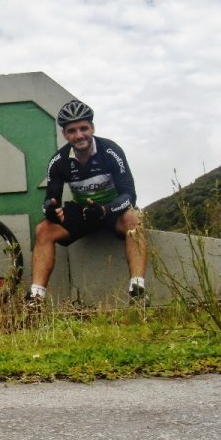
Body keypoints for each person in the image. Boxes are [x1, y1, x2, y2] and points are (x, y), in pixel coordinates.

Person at [27, 99, 148, 307]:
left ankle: (137, 292)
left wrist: (104, 210)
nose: (79, 135)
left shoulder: (110, 151)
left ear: (92, 128)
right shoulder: (59, 161)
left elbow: (129, 194)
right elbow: (50, 199)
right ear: (65, 134)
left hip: (111, 210)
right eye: (72, 130)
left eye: (84, 128)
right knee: (43, 230)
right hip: (83, 213)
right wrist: (50, 210)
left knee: (133, 218)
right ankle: (35, 301)